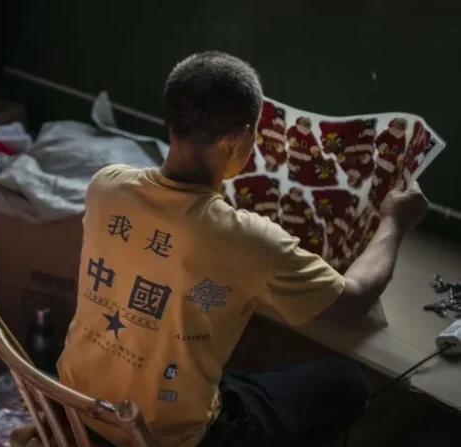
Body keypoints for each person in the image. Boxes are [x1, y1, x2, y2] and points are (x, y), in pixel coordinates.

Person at [56, 51, 428, 447]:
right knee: (346, 382)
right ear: (238, 138)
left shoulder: (106, 185)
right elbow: (353, 300)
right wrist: (394, 221)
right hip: (171, 437)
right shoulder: (248, 241)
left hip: (80, 407)